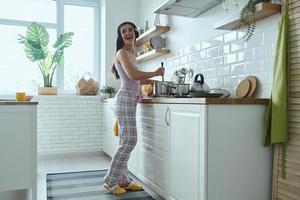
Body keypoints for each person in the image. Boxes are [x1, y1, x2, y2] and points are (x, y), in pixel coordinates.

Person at [103, 21, 165, 195]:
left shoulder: (131, 53)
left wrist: (154, 80)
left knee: (125, 141)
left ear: (135, 33)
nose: (128, 33)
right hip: (124, 99)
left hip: (129, 99)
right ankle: (110, 181)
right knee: (129, 141)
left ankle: (122, 179)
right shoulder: (122, 52)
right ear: (120, 36)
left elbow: (135, 79)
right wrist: (155, 73)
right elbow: (133, 75)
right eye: (123, 31)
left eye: (130, 30)